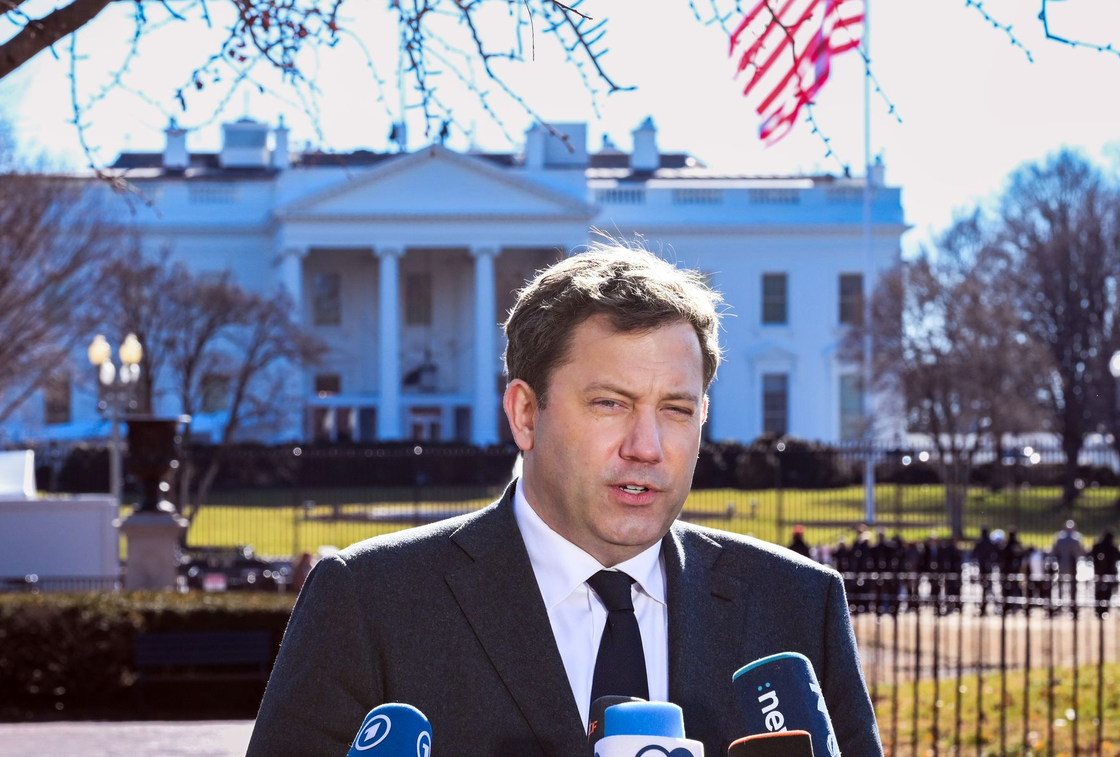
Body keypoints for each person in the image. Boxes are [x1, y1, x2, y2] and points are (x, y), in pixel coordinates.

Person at [245, 245, 882, 757]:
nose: (647, 447)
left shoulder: (797, 605)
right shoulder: (369, 601)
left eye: (675, 409)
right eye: (610, 403)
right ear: (525, 413)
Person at [1052, 519, 1086, 605]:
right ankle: (1072, 602)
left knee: (1060, 583)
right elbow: (1081, 552)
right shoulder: (1077, 538)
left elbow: (1055, 551)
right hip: (1072, 564)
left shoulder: (1059, 538)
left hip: (1062, 563)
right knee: (1073, 584)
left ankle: (1060, 601)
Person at [1088, 528, 1119, 616]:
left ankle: (1098, 609)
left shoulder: (1097, 546)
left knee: (1098, 591)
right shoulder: (1113, 547)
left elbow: (1090, 555)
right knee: (1108, 592)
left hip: (1099, 573)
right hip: (1110, 573)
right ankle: (1105, 609)